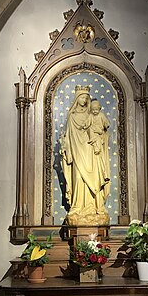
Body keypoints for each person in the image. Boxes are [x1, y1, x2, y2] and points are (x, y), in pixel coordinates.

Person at [60, 86, 110, 225]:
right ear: (77, 98)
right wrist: (67, 150)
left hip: (91, 153)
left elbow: (102, 130)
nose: (84, 99)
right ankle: (77, 208)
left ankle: (95, 207)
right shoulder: (72, 116)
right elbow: (69, 136)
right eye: (82, 97)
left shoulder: (92, 115)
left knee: (94, 179)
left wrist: (99, 140)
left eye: (86, 97)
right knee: (78, 178)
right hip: (77, 152)